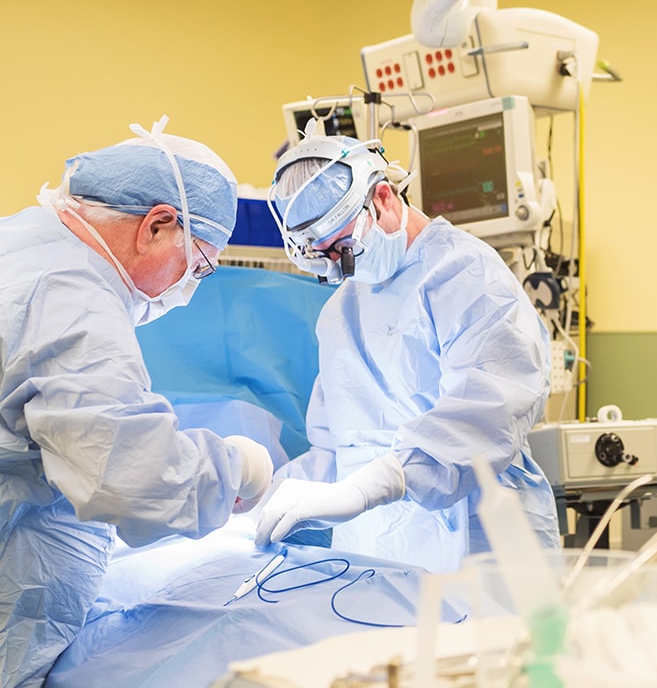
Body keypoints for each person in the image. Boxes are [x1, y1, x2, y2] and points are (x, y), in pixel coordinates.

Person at [0, 118, 273, 687]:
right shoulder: (71, 296)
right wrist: (237, 468)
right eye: (196, 264)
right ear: (156, 225)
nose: (188, 286)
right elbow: (132, 476)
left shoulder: (23, 242)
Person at [253, 124, 561, 573]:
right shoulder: (343, 309)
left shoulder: (465, 275)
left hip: (480, 540)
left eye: (344, 248)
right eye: (322, 260)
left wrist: (369, 487)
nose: (339, 271)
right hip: (377, 547)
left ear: (382, 199)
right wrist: (269, 496)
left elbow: (486, 417)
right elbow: (337, 447)